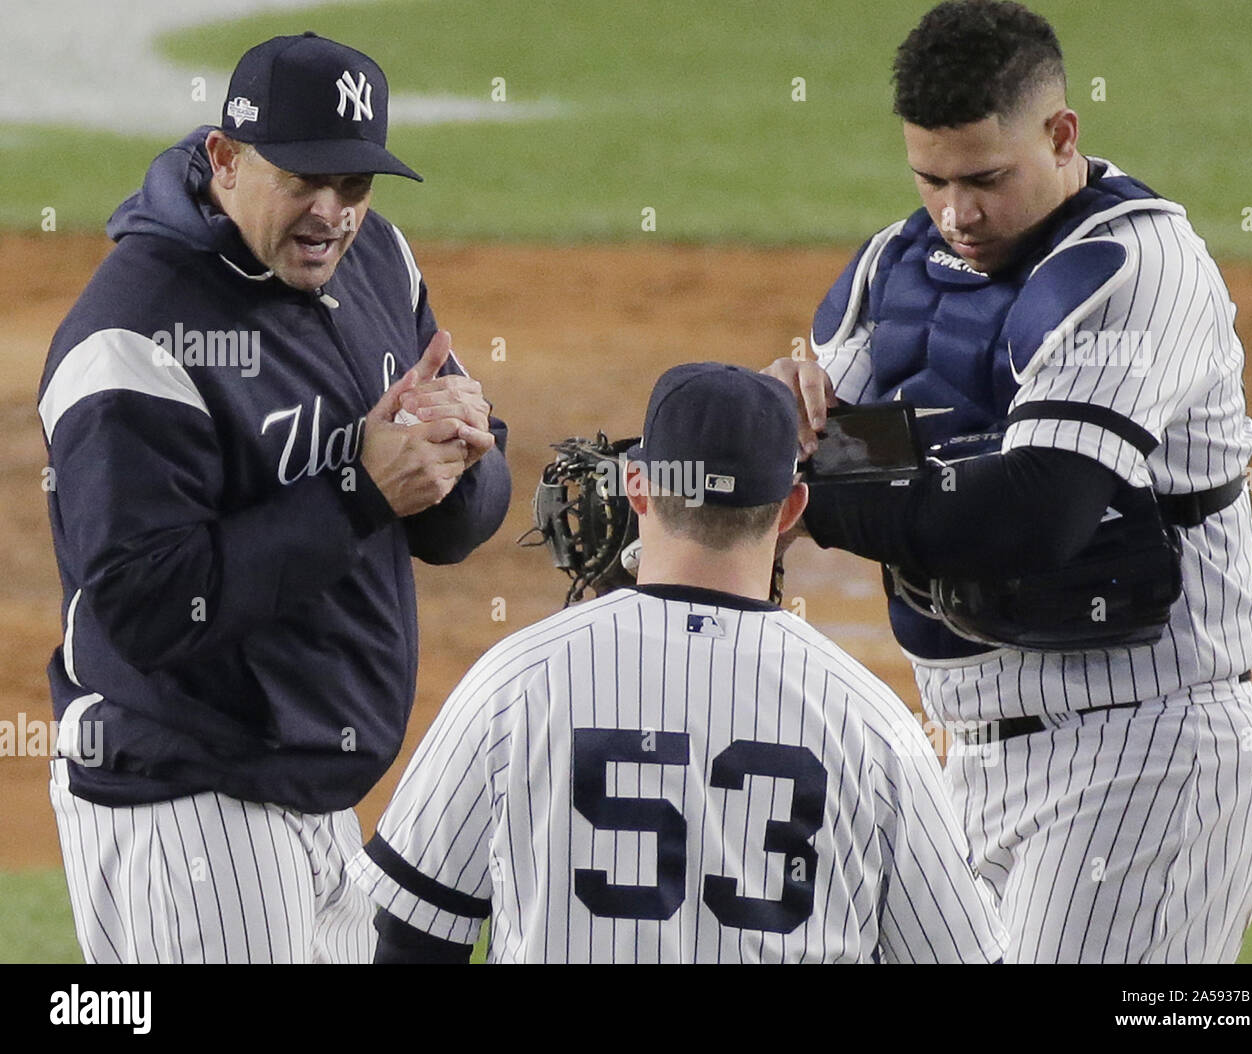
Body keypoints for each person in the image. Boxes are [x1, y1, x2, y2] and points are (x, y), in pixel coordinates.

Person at [764, 0, 1252, 963]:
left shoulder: (1136, 267)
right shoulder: (897, 268)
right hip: (960, 762)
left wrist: (809, 492)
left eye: (987, 179)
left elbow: (1036, 513)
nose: (958, 213)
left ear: (1061, 134)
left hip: (1142, 757)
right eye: (932, 180)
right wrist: (720, 433)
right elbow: (798, 448)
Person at [37, 32, 510, 963]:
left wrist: (461, 458)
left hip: (315, 797)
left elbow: (459, 521)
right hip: (189, 806)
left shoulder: (376, 262)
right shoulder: (134, 336)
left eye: (355, 185)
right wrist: (357, 491)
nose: (333, 213)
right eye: (303, 180)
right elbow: (143, 606)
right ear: (226, 158)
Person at [348, 362, 1008, 963]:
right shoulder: (875, 725)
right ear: (791, 510)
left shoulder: (513, 683)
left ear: (637, 488)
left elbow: (409, 935)